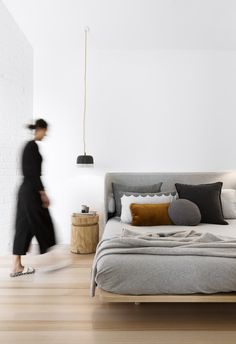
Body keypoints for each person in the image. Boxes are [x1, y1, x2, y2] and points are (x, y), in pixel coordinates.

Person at [10, 119, 56, 277]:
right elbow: (32, 173)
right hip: (30, 192)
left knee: (24, 226)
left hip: (26, 191)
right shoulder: (32, 146)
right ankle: (52, 261)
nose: (46, 134)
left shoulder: (29, 146)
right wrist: (43, 194)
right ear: (40, 129)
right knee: (44, 223)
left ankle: (17, 266)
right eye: (45, 130)